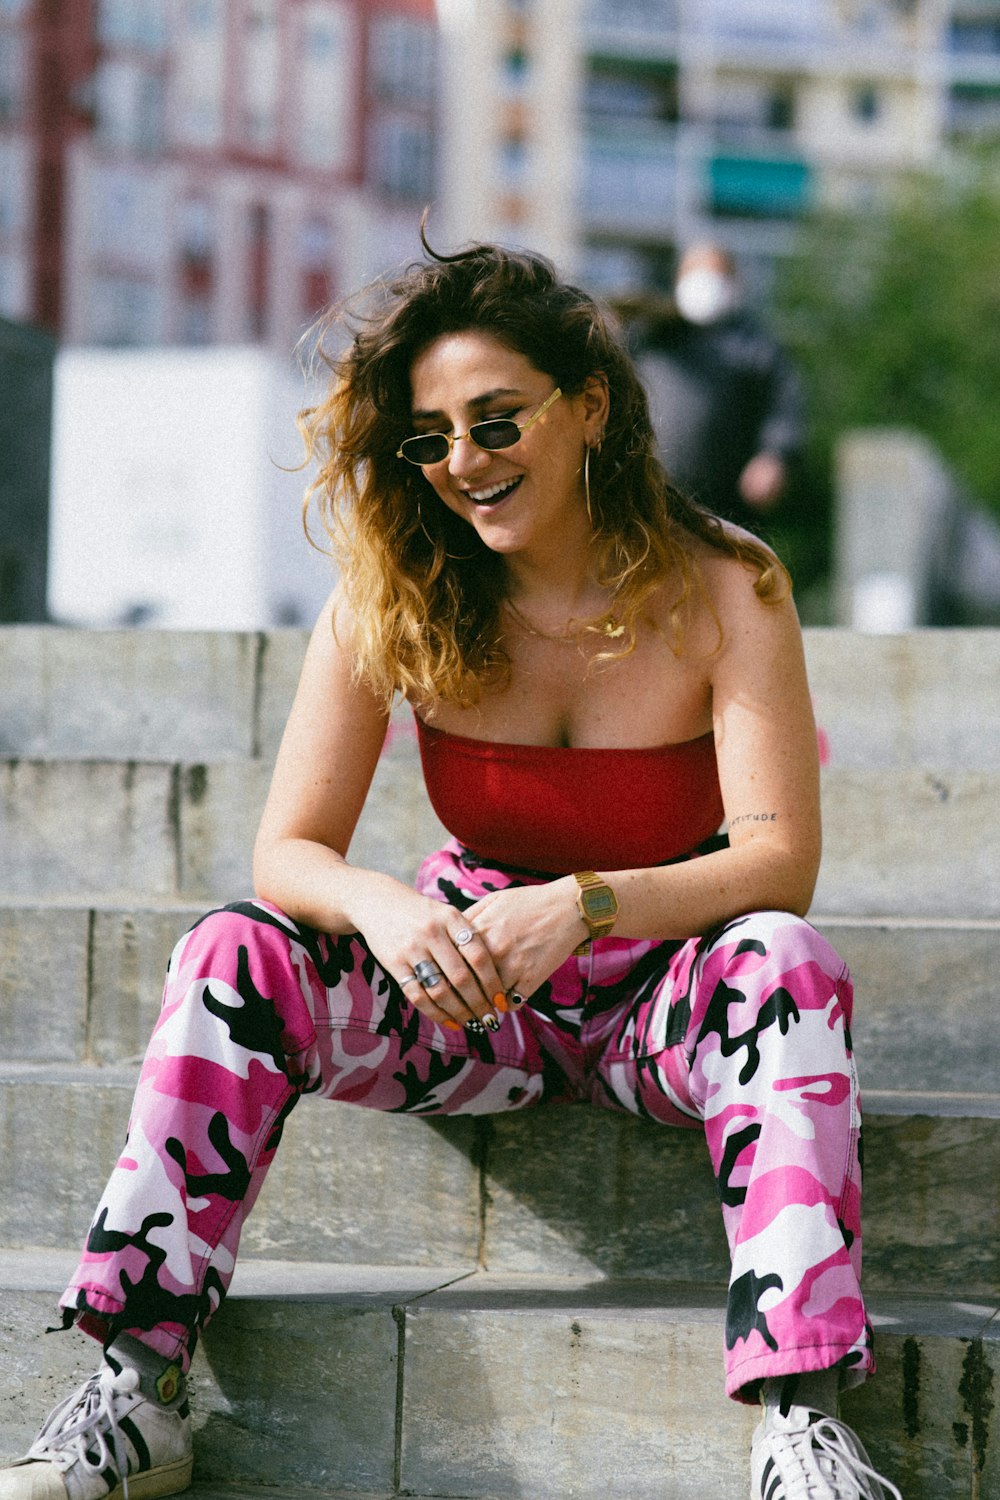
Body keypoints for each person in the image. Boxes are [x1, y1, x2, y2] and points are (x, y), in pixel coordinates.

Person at [0, 236, 903, 1500]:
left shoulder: (725, 586)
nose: (465, 464)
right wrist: (382, 904)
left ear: (588, 405)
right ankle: (135, 1390)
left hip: (669, 993)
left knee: (788, 962)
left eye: (494, 420)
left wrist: (582, 907)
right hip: (470, 999)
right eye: (432, 439)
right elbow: (289, 851)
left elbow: (778, 861)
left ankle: (798, 1421)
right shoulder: (394, 593)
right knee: (232, 948)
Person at [633, 243, 805, 533]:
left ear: (733, 282)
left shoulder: (753, 344)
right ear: (678, 281)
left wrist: (774, 456)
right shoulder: (653, 335)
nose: (703, 282)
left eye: (714, 273)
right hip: (648, 503)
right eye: (694, 273)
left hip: (728, 509)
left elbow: (784, 405)